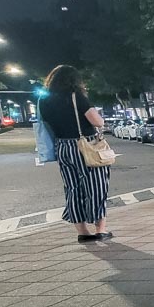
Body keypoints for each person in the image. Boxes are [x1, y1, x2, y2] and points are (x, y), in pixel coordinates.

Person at [38, 65, 112, 242]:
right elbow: (97, 121)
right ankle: (100, 229)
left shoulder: (44, 100)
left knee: (72, 188)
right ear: (74, 80)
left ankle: (82, 232)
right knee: (96, 186)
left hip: (62, 147)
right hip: (84, 146)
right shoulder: (75, 96)